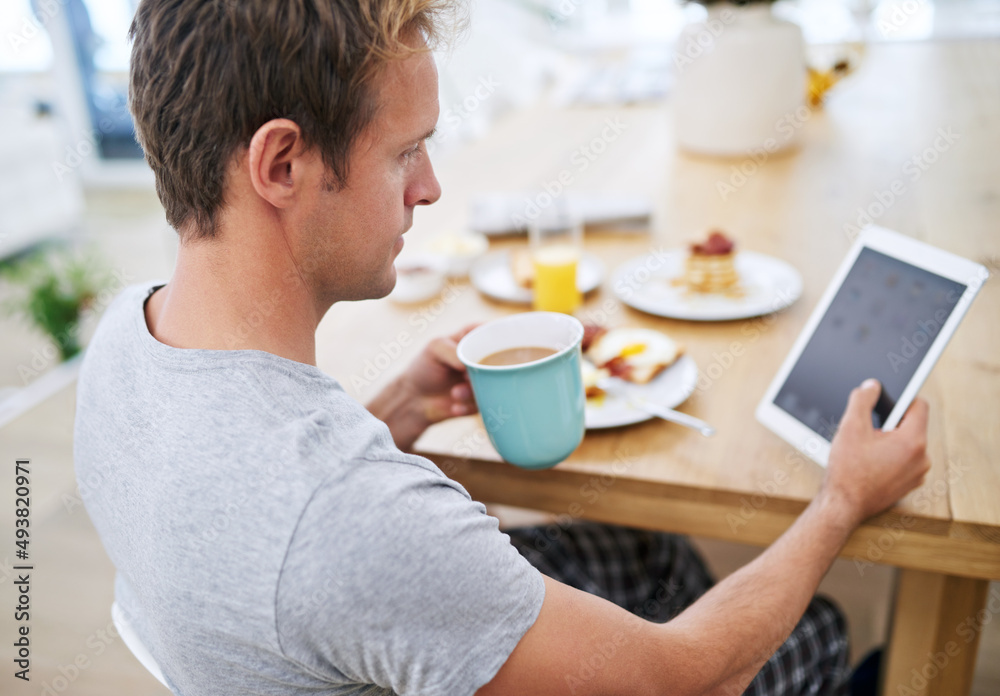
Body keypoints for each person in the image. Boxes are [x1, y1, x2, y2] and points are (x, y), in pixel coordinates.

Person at [74, 1, 931, 694]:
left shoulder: (125, 337)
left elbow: (274, 530)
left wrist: (399, 413)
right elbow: (683, 678)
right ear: (282, 164)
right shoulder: (354, 519)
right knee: (813, 630)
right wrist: (840, 502)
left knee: (647, 552)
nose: (430, 186)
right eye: (405, 152)